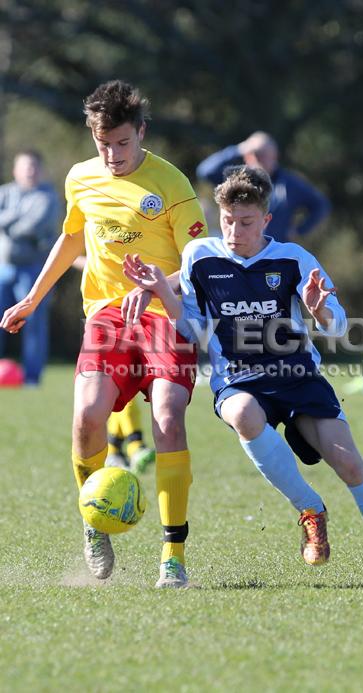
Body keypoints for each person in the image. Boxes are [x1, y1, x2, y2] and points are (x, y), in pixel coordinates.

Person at [123, 165, 363, 586]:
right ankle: (310, 508)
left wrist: (318, 308)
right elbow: (193, 330)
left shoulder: (293, 259)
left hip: (297, 375)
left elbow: (339, 328)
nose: (235, 230)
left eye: (246, 222)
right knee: (244, 414)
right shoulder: (200, 256)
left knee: (350, 464)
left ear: (266, 220)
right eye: (228, 220)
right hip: (238, 376)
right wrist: (163, 292)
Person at [0, 80, 207, 588]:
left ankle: (172, 556)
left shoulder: (172, 185)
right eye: (102, 144)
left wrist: (159, 285)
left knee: (167, 420)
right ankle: (95, 524)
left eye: (121, 143)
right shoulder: (80, 179)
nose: (112, 155)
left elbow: (204, 261)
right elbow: (72, 238)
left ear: (141, 132)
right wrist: (34, 298)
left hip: (165, 315)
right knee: (87, 419)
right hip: (108, 316)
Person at [72, 255, 155, 472]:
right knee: (114, 391)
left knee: (122, 393)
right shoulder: (92, 228)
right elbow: (73, 256)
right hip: (108, 314)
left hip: (146, 313)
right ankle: (134, 446)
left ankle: (119, 448)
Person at [196, 131, 330, 243]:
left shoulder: (290, 184)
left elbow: (320, 205)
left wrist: (298, 230)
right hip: (238, 254)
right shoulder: (236, 181)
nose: (261, 160)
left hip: (274, 255)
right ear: (248, 156)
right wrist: (239, 149)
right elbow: (205, 171)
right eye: (257, 155)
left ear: (275, 156)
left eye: (265, 155)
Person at [0, 150, 60, 384]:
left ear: (41, 170)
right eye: (25, 167)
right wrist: (18, 215)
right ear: (15, 170)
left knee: (33, 323)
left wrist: (8, 222)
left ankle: (32, 378)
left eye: (34, 167)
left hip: (33, 270)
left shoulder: (47, 197)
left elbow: (32, 227)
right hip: (3, 267)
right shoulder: (4, 192)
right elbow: (21, 223)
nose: (29, 171)